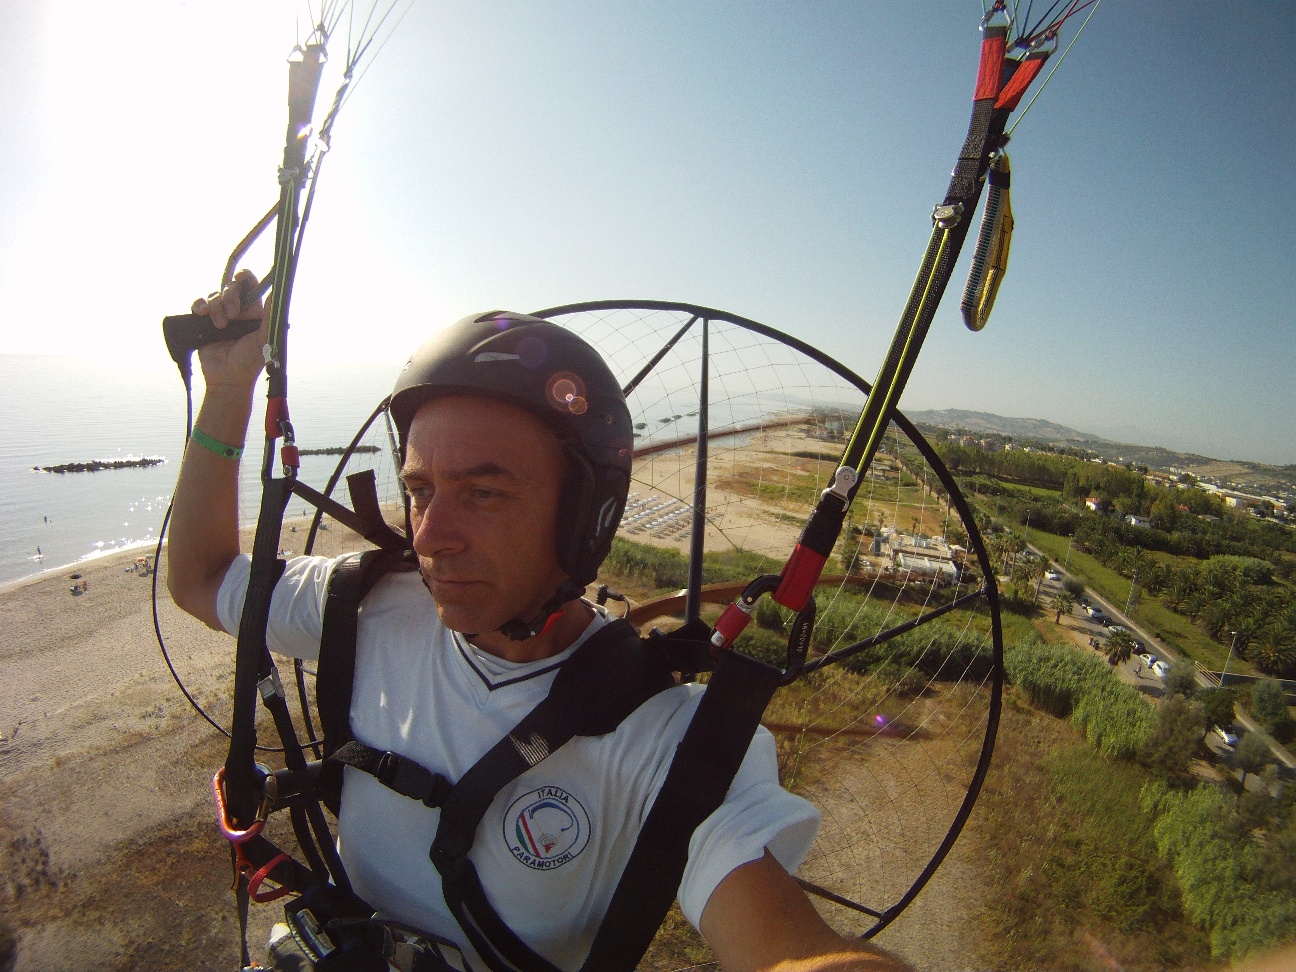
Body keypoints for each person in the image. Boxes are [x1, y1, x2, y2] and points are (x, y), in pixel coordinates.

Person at [168, 274, 907, 972]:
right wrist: (228, 390)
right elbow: (202, 579)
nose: (430, 536)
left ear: (586, 518)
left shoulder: (667, 743)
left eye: (484, 492)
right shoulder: (359, 609)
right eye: (419, 490)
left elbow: (782, 943)